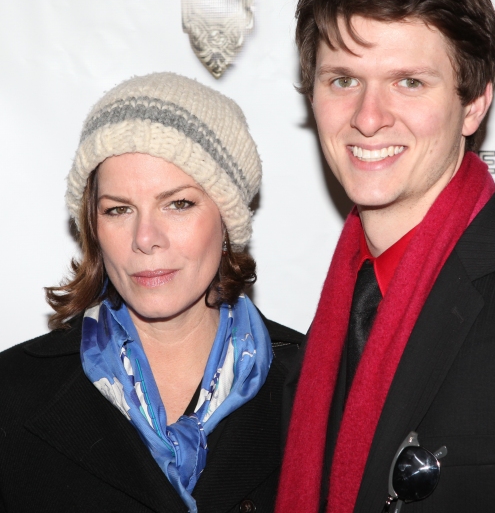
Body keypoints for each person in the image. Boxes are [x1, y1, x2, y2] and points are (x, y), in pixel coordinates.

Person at [276, 0, 495, 513]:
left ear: (473, 103)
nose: (369, 118)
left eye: (409, 81)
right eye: (343, 80)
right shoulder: (312, 345)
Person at [0, 72, 302, 513]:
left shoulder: (321, 385)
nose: (145, 237)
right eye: (119, 209)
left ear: (227, 221)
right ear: (94, 228)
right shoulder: (13, 393)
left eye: (178, 203)